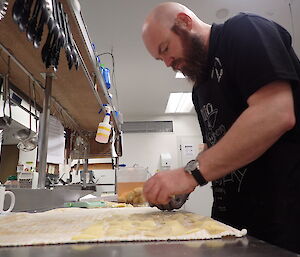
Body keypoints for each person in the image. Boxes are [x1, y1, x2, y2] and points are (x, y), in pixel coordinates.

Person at [141, 2, 300, 254]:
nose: (168, 62)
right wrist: (182, 187)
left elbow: (276, 112)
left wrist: (188, 175)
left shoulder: (243, 30)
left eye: (166, 49)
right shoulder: (199, 89)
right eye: (160, 58)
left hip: (283, 224)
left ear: (184, 21)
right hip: (232, 227)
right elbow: (211, 148)